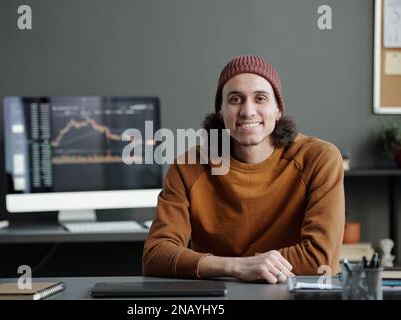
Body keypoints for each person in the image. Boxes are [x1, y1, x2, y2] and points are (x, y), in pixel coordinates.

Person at [142, 55, 345, 284]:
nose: (248, 111)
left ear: (278, 109)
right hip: (219, 298)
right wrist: (236, 267)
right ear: (220, 111)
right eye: (235, 99)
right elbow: (155, 256)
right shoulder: (188, 166)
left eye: (260, 98)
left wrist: (224, 267)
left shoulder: (318, 158)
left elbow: (320, 260)